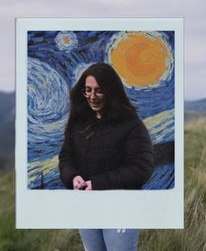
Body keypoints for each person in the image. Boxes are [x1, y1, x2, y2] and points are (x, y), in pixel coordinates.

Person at [58, 62, 155, 251]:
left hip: (120, 209)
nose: (92, 97)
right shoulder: (79, 123)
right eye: (88, 90)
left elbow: (141, 168)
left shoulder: (131, 125)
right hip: (87, 207)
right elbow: (66, 157)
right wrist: (73, 177)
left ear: (111, 91)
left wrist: (98, 183)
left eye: (98, 90)